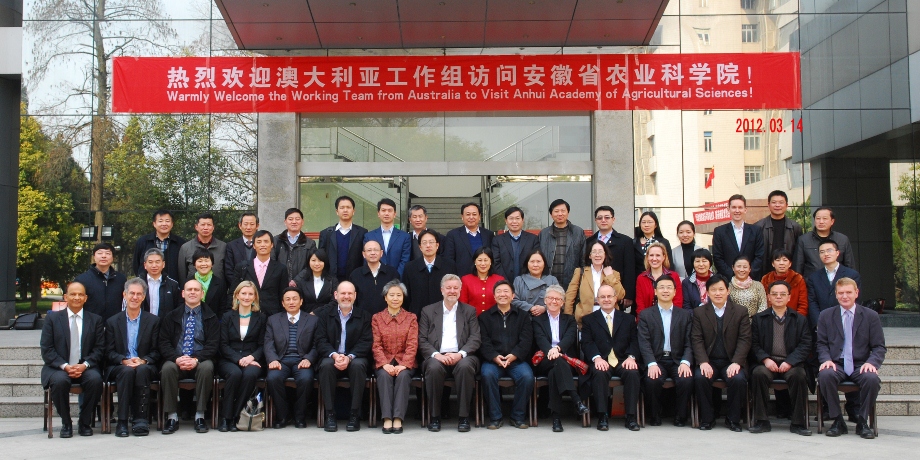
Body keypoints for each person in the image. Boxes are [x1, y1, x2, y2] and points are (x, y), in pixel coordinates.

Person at [816, 278, 886, 439]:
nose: (845, 296)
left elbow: (879, 347)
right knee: (825, 375)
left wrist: (871, 362)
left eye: (848, 292)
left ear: (856, 293)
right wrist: (826, 359)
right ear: (836, 295)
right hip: (837, 363)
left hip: (860, 364)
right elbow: (821, 343)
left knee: (872, 379)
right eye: (841, 293)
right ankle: (838, 420)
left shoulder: (871, 316)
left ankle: (862, 421)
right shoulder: (826, 315)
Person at [748, 280, 813, 436]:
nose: (778, 297)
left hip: (791, 363)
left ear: (789, 297)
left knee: (799, 375)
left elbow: (805, 344)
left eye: (782, 294)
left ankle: (798, 422)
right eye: (774, 294)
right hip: (767, 362)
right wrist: (765, 359)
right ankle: (762, 421)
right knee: (759, 374)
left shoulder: (799, 319)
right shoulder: (758, 319)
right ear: (769, 297)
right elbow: (753, 344)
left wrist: (790, 361)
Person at [40, 282, 105, 438]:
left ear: (86, 298)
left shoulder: (95, 320)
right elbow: (47, 349)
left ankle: (84, 422)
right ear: (65, 297)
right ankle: (66, 422)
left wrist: (84, 365)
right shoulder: (52, 319)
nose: (77, 297)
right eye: (73, 294)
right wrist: (65, 366)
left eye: (80, 294)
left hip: (85, 367)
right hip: (59, 367)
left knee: (95, 380)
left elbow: (99, 349)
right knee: (60, 381)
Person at [418, 274, 481, 432]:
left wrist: (460, 354)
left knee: (465, 367)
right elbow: (422, 339)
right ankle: (435, 417)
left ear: (460, 290)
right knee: (433, 368)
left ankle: (463, 417)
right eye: (449, 288)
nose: (452, 291)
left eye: (455, 288)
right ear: (442, 290)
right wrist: (436, 355)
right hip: (437, 356)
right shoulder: (428, 311)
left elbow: (475, 338)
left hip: (462, 356)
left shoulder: (469, 311)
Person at [158, 279, 220, 435]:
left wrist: (196, 359)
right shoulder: (171, 316)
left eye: (196, 290)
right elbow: (163, 342)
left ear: (202, 294)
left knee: (207, 368)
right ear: (183, 293)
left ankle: (200, 415)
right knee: (167, 368)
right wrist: (176, 358)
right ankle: (172, 416)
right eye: (189, 290)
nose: (193, 292)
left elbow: (213, 344)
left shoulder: (211, 317)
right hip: (177, 359)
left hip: (200, 360)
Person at [691, 274, 751, 432]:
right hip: (709, 360)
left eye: (721, 289)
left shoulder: (740, 311)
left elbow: (744, 339)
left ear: (728, 291)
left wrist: (737, 362)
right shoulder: (699, 312)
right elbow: (696, 339)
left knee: (738, 379)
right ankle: (707, 419)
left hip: (731, 360)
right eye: (713, 290)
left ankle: (733, 419)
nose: (717, 293)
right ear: (707, 292)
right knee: (700, 377)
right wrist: (703, 361)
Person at [581, 284, 641, 431]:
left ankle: (631, 417)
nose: (606, 299)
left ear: (615, 298)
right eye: (602, 297)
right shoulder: (589, 320)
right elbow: (587, 342)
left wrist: (631, 357)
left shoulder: (628, 319)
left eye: (609, 296)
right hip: (602, 359)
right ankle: (602, 416)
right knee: (599, 373)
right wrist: (596, 358)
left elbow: (635, 340)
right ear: (597, 300)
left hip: (622, 360)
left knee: (632, 373)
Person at [315, 281, 373, 432]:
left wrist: (349, 357)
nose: (346, 297)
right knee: (326, 365)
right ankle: (330, 414)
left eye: (349, 294)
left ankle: (354, 414)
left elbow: (366, 341)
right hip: (332, 356)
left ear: (355, 296)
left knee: (359, 365)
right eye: (343, 293)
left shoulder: (365, 316)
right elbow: (320, 340)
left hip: (355, 357)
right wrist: (335, 355)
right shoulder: (324, 316)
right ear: (336, 295)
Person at [105, 278, 160, 437]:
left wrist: (143, 360)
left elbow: (157, 351)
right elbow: (108, 351)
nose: (135, 297)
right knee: (127, 372)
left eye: (139, 294)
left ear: (144, 297)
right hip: (120, 365)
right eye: (131, 293)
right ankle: (122, 422)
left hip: (145, 364)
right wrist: (123, 360)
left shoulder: (153, 321)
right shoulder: (113, 322)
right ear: (124, 295)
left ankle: (140, 419)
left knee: (142, 370)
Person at [637, 277, 693, 427]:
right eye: (661, 287)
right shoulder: (646, 315)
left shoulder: (685, 315)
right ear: (655, 291)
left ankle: (680, 417)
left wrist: (686, 362)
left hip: (677, 360)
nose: (665, 290)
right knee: (652, 379)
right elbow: (644, 342)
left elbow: (690, 342)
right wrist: (651, 363)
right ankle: (654, 416)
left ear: (675, 292)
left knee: (686, 379)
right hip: (657, 359)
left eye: (669, 287)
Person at [533, 285, 589, 433]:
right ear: (545, 300)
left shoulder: (569, 320)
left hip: (566, 358)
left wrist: (558, 349)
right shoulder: (537, 320)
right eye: (550, 298)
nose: (553, 301)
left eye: (557, 299)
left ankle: (556, 419)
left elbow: (570, 338)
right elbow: (540, 339)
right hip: (544, 359)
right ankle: (576, 400)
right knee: (557, 362)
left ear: (563, 302)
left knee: (555, 372)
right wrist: (550, 350)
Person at [478, 280, 534, 430]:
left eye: (506, 291)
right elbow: (484, 341)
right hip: (493, 361)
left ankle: (518, 416)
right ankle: (495, 417)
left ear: (513, 295)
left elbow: (526, 340)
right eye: (499, 292)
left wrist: (514, 355)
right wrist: (494, 357)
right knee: (487, 375)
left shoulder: (522, 316)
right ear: (494, 296)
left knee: (527, 377)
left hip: (516, 360)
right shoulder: (485, 317)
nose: (503, 294)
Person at [264, 287, 319, 429]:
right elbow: (268, 343)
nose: (291, 302)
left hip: (302, 360)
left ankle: (300, 416)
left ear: (301, 301)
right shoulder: (273, 320)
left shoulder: (313, 320)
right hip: (281, 360)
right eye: (287, 299)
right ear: (282, 303)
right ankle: (283, 416)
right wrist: (273, 359)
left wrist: (309, 359)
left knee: (306, 379)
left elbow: (317, 344)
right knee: (273, 378)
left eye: (295, 298)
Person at [217, 281, 267, 432]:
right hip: (229, 359)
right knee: (235, 373)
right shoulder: (227, 317)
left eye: (250, 294)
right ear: (237, 295)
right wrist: (238, 359)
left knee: (250, 375)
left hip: (253, 359)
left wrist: (251, 358)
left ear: (255, 297)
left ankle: (236, 416)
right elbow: (223, 344)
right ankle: (226, 418)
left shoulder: (262, 318)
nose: (246, 297)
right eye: (243, 293)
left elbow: (263, 344)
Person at [371, 280, 418, 434]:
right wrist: (384, 363)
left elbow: (412, 344)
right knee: (384, 377)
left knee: (403, 376)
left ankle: (398, 417)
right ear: (385, 297)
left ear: (403, 297)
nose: (395, 298)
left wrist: (404, 364)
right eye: (392, 295)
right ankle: (386, 418)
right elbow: (376, 344)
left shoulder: (411, 318)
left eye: (399, 295)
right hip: (384, 361)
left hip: (404, 362)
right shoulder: (377, 318)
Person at [564, 241, 626, 327]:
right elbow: (570, 297)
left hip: (608, 318)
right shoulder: (580, 272)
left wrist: (610, 276)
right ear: (590, 255)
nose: (597, 255)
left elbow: (620, 296)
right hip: (584, 318)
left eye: (600, 251)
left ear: (605, 254)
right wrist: (568, 319)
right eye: (594, 252)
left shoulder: (614, 273)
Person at [586, 206, 636, 309]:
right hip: (592, 292)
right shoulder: (588, 242)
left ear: (613, 219)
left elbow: (629, 269)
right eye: (600, 218)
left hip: (616, 290)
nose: (603, 220)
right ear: (595, 220)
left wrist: (628, 295)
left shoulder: (625, 241)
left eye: (607, 217)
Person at [807, 240, 861, 329]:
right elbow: (812, 302)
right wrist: (818, 323)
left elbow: (856, 299)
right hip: (823, 323)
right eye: (822, 252)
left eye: (829, 250)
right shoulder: (814, 277)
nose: (826, 254)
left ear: (837, 253)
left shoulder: (852, 275)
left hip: (846, 321)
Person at [233, 230, 288, 317]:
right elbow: (234, 292)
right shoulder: (242, 267)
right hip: (248, 314)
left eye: (266, 241)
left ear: (272, 245)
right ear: (254, 246)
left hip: (273, 316)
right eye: (259, 242)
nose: (262, 245)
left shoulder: (281, 268)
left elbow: (283, 295)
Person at [402, 230, 457, 315]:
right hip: (417, 316)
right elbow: (406, 296)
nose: (428, 245)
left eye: (431, 242)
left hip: (444, 315)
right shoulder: (410, 267)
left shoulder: (449, 266)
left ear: (437, 245)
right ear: (420, 247)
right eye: (424, 243)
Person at [711, 194, 765, 280]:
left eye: (740, 207)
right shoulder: (719, 231)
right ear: (728, 209)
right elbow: (717, 257)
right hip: (728, 280)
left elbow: (759, 256)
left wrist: (747, 274)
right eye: (734, 207)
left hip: (751, 280)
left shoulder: (756, 230)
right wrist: (733, 276)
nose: (737, 210)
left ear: (745, 210)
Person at [794, 207, 857, 277]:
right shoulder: (803, 240)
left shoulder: (842, 239)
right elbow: (798, 267)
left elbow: (849, 265)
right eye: (818, 218)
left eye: (825, 218)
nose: (821, 222)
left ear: (832, 221)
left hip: (838, 284)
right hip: (812, 284)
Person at [539, 199, 586, 290]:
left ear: (568, 213)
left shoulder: (578, 232)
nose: (560, 214)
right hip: (548, 282)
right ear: (551, 214)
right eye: (556, 211)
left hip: (572, 282)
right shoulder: (544, 233)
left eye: (563, 211)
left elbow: (583, 259)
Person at [319, 196, 369, 282]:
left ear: (353, 211)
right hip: (330, 280)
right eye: (342, 207)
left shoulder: (362, 233)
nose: (345, 210)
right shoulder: (326, 233)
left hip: (355, 279)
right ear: (337, 211)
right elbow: (320, 257)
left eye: (348, 207)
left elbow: (365, 258)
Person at [754, 190, 804, 276]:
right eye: (774, 202)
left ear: (786, 205)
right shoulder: (758, 226)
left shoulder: (795, 227)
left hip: (788, 274)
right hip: (764, 273)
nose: (777, 205)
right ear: (768, 205)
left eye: (781, 202)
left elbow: (799, 254)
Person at [75, 242, 127, 321]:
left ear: (113, 258)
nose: (103, 256)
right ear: (94, 257)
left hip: (114, 326)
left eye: (107, 253)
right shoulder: (82, 280)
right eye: (99, 253)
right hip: (90, 325)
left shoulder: (121, 279)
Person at [444, 202, 495, 278]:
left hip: (484, 279)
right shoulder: (452, 235)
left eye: (474, 214)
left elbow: (492, 258)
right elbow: (449, 260)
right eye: (468, 214)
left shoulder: (489, 234)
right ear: (462, 217)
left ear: (479, 216)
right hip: (462, 279)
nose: (471, 217)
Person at [133, 209, 186, 281]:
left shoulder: (180, 243)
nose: (164, 224)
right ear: (154, 224)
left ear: (172, 224)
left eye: (167, 221)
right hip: (146, 286)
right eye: (160, 221)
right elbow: (136, 265)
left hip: (173, 287)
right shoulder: (143, 241)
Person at [364, 198, 412, 276]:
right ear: (378, 213)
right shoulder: (369, 236)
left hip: (396, 281)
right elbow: (366, 259)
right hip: (374, 279)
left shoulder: (404, 237)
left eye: (390, 210)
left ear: (394, 214)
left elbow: (404, 261)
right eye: (383, 210)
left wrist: (395, 277)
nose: (386, 213)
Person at [349, 240, 399, 315]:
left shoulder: (392, 273)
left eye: (376, 250)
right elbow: (352, 300)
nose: (373, 253)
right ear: (364, 254)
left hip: (387, 320)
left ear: (381, 253)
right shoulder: (356, 274)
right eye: (369, 250)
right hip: (362, 320)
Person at [491, 206, 540, 282]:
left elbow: (535, 261)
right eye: (511, 218)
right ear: (506, 221)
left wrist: (524, 282)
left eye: (517, 218)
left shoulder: (533, 239)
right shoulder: (497, 240)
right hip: (504, 284)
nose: (514, 222)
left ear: (522, 220)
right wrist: (505, 282)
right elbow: (495, 263)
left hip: (527, 283)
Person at [635, 242, 683, 316]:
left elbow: (678, 301)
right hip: (648, 320)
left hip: (671, 318)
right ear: (647, 257)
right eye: (651, 255)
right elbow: (640, 304)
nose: (654, 259)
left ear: (664, 257)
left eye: (658, 255)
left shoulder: (674, 276)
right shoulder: (641, 278)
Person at [177, 212, 227, 282]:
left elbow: (226, 272)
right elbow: (182, 274)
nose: (205, 228)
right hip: (193, 290)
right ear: (196, 227)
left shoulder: (223, 247)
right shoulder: (185, 248)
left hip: (218, 290)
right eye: (202, 225)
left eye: (209, 225)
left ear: (213, 227)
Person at [273, 208, 318, 283]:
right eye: (290, 219)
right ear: (285, 222)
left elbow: (311, 265)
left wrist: (296, 280)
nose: (294, 222)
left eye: (297, 219)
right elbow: (272, 262)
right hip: (279, 283)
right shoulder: (276, 241)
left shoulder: (310, 243)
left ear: (302, 222)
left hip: (302, 284)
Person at [760, 248, 808, 317]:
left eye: (785, 260)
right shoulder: (766, 279)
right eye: (778, 260)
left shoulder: (798, 279)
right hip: (769, 319)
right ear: (773, 263)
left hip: (794, 319)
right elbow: (762, 303)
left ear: (790, 263)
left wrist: (797, 320)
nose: (781, 263)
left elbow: (803, 305)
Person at [459, 247, 505, 315]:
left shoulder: (499, 280)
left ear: (491, 262)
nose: (483, 264)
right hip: (473, 320)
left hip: (494, 320)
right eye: (480, 260)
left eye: (486, 260)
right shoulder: (465, 280)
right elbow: (463, 304)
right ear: (475, 262)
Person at [511, 249, 559, 316]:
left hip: (547, 318)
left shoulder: (552, 280)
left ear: (544, 263)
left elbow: (559, 300)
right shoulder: (519, 280)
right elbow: (513, 300)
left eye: (538, 261)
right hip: (524, 318)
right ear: (527, 263)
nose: (535, 265)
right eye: (532, 261)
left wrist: (544, 308)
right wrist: (530, 307)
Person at [139, 248, 182, 317]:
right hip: (143, 325)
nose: (154, 265)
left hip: (165, 325)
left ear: (163, 264)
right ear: (145, 265)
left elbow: (177, 309)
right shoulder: (137, 284)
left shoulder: (173, 285)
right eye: (150, 262)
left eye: (157, 262)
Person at [293, 249, 339, 314]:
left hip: (327, 318)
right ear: (308, 262)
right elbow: (299, 301)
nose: (317, 264)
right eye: (313, 260)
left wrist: (316, 312)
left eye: (320, 260)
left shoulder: (333, 281)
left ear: (325, 262)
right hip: (307, 318)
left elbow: (335, 301)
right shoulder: (302, 281)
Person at [189, 248, 230, 319]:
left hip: (214, 323)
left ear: (212, 264)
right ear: (194, 264)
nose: (203, 264)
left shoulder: (220, 283)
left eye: (206, 261)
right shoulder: (188, 282)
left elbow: (223, 307)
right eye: (200, 261)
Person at [223, 212, 260, 285]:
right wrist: (240, 287)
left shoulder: (262, 245)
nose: (248, 227)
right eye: (245, 224)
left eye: (252, 224)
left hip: (258, 288)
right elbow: (228, 270)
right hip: (238, 289)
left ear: (257, 226)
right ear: (240, 225)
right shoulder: (231, 246)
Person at [633, 211, 674, 276]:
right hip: (640, 280)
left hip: (661, 279)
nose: (646, 225)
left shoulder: (664, 242)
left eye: (650, 222)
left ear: (656, 225)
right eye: (643, 222)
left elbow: (669, 264)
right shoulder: (633, 243)